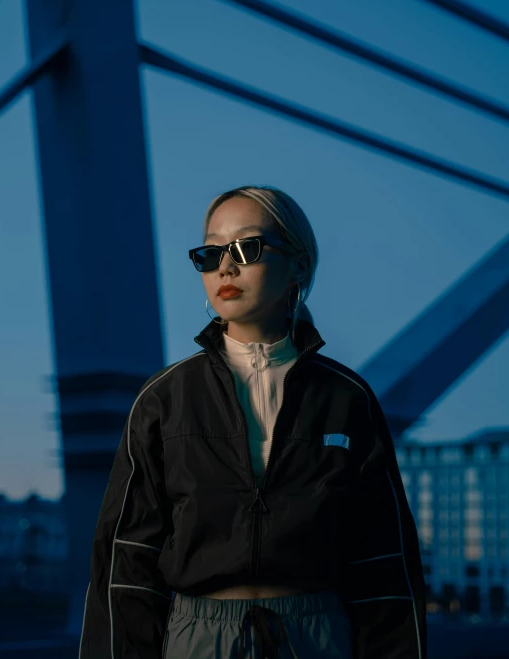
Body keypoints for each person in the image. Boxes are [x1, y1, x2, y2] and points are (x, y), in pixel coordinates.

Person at [79, 184, 427, 659]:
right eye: (211, 252)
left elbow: (384, 565)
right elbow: (127, 565)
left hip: (318, 639)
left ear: (298, 266)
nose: (226, 266)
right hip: (197, 639)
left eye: (246, 247)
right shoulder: (163, 399)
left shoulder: (348, 399)